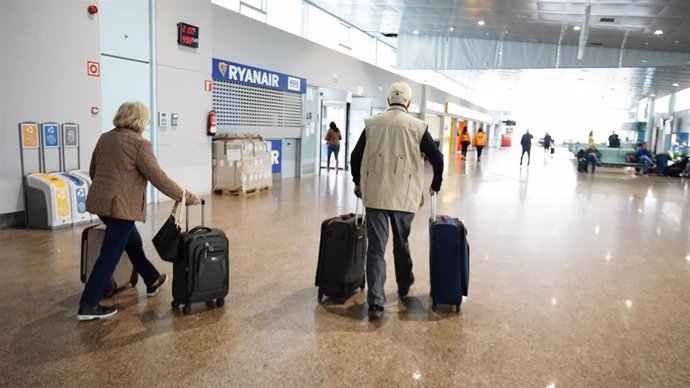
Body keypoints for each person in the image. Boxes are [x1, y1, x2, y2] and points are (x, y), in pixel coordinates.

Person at [78, 102, 200, 321]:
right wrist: (186, 196)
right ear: (139, 120)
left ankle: (151, 278)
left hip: (101, 204)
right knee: (110, 255)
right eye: (146, 120)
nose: (146, 124)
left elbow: (93, 170)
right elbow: (158, 177)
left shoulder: (105, 137)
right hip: (121, 208)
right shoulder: (139, 144)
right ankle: (88, 304)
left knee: (132, 242)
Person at [350, 82, 444, 319]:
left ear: (388, 101)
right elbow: (437, 158)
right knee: (400, 244)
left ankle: (375, 302)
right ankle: (404, 283)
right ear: (409, 103)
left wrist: (357, 182)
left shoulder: (372, 124)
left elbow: (355, 155)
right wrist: (436, 185)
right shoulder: (418, 127)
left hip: (376, 197)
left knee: (376, 249)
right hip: (405, 197)